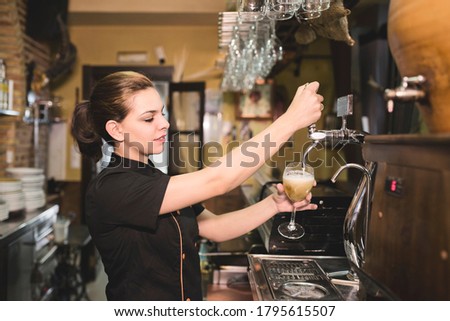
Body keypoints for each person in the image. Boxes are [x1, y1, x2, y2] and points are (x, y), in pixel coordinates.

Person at [71, 71, 323, 301]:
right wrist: (291, 120)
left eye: (162, 113)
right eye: (149, 119)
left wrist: (273, 205)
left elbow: (214, 227)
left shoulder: (155, 178)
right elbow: (219, 180)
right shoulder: (112, 188)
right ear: (116, 130)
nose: (164, 124)